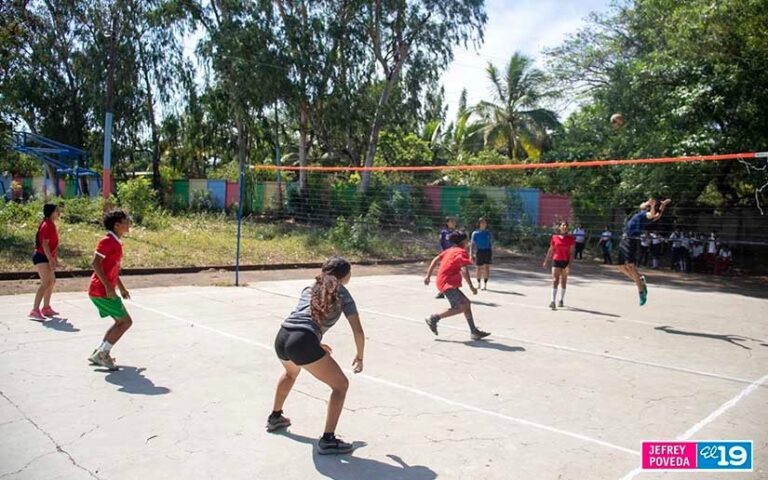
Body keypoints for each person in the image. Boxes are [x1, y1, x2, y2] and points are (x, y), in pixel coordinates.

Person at [267, 257, 364, 455]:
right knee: (341, 385)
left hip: (283, 336)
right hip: (302, 340)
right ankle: (328, 440)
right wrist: (360, 356)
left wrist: (314, 343)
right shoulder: (342, 293)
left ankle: (275, 417)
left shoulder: (310, 288)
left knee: (290, 373)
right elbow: (358, 331)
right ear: (345, 276)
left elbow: (303, 318)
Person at [87, 210, 133, 371]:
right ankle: (102, 354)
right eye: (126, 221)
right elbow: (95, 263)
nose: (128, 224)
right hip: (101, 290)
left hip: (104, 289)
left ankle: (99, 352)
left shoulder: (116, 242)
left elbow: (112, 268)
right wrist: (108, 287)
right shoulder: (107, 241)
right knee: (126, 322)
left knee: (120, 322)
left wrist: (121, 288)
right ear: (117, 225)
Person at [424, 231, 490, 340]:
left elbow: (435, 259)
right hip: (447, 283)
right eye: (467, 240)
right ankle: (433, 318)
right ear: (463, 242)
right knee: (460, 307)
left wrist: (428, 276)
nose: (469, 242)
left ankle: (474, 331)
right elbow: (464, 270)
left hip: (445, 281)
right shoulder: (461, 252)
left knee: (466, 303)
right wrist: (471, 286)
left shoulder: (449, 251)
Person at [617, 199, 671, 305]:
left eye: (646, 202)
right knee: (621, 267)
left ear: (646, 207)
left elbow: (652, 214)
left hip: (631, 240)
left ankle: (641, 291)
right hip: (624, 239)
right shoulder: (641, 215)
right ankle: (640, 281)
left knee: (631, 266)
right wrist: (663, 205)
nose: (644, 202)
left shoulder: (645, 215)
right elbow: (657, 215)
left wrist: (652, 206)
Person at [29, 203, 61, 321]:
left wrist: (54, 258)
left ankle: (46, 308)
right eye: (57, 210)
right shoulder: (47, 225)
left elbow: (53, 245)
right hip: (42, 257)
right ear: (51, 212)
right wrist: (50, 259)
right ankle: (35, 310)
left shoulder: (50, 224)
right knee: (46, 282)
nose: (59, 212)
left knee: (51, 281)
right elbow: (45, 244)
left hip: (46, 256)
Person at [542, 222, 576, 310]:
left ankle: (561, 300)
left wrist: (569, 265)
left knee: (563, 282)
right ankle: (553, 301)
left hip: (565, 262)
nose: (564, 227)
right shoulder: (554, 237)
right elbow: (551, 250)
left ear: (567, 228)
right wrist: (546, 261)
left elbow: (572, 253)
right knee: (554, 280)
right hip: (556, 260)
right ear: (560, 227)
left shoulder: (570, 239)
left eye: (566, 226)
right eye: (563, 225)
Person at [435, 217, 457, 299]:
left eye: (454, 221)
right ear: (447, 223)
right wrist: (443, 254)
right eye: (451, 221)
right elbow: (441, 244)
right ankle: (441, 291)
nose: (453, 222)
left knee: (454, 273)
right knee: (443, 273)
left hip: (454, 255)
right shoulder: (444, 232)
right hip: (446, 255)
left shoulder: (456, 232)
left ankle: (454, 289)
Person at [470, 217, 493, 291]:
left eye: (485, 223)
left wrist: (491, 253)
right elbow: (472, 244)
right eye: (482, 222)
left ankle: (485, 284)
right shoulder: (475, 233)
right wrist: (471, 254)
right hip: (479, 251)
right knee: (478, 268)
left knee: (486, 267)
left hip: (487, 251)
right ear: (479, 224)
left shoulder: (488, 233)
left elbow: (490, 243)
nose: (484, 224)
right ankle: (478, 283)